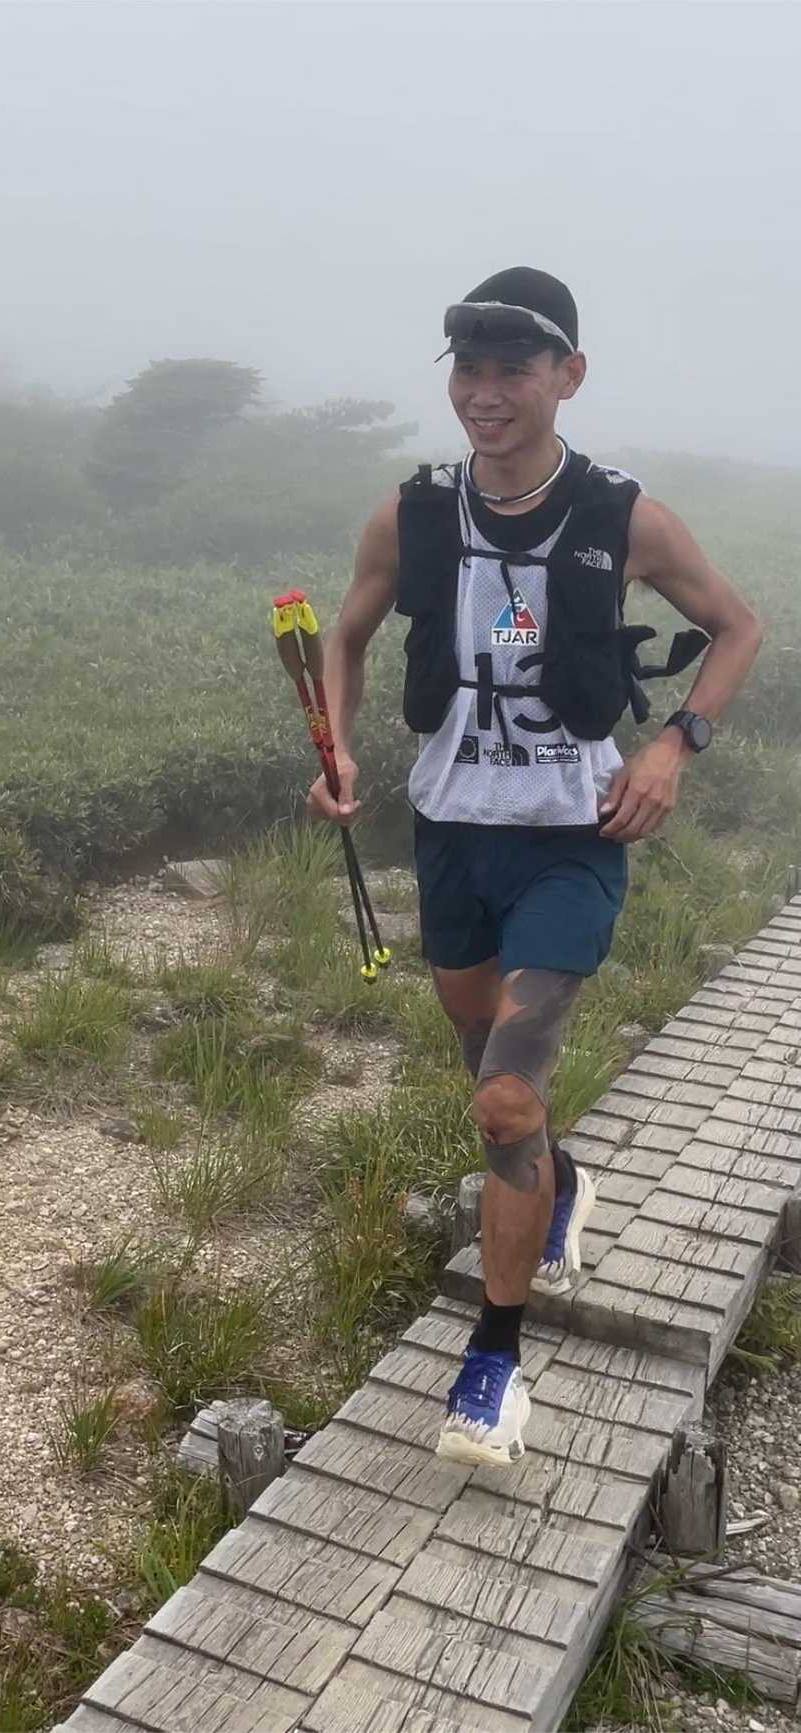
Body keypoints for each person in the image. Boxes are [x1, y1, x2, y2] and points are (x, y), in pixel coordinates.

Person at [309, 265, 762, 1468]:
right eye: (469, 368)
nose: (486, 391)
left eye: (514, 367)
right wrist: (336, 746)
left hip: (572, 838)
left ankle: (493, 1362)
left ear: (570, 375)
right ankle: (556, 1184)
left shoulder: (624, 517)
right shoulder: (410, 515)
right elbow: (345, 637)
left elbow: (740, 626)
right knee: (487, 1069)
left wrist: (672, 745)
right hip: (452, 833)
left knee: (505, 1096)